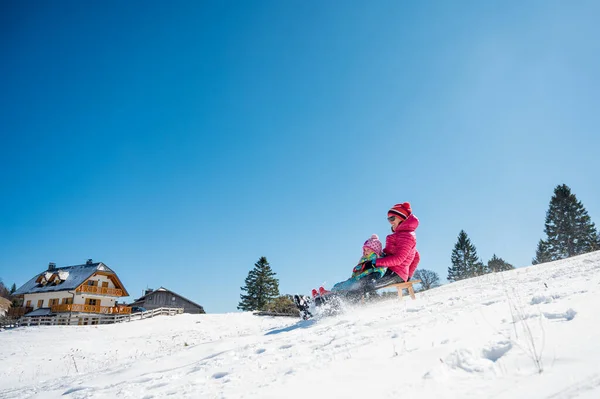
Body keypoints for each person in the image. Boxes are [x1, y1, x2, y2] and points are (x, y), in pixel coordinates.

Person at [370, 202, 420, 288]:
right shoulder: (402, 235)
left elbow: (398, 259)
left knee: (370, 285)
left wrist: (376, 263)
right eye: (388, 219)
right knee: (366, 278)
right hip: (392, 270)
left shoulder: (407, 236)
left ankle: (350, 300)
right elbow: (416, 256)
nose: (390, 222)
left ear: (402, 218)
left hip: (396, 273)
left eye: (392, 218)